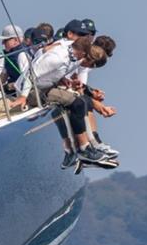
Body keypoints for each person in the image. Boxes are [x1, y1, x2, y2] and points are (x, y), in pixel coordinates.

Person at [11, 36, 116, 169]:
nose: (85, 64)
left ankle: (78, 149)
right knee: (77, 103)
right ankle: (84, 149)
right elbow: (31, 75)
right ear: (83, 53)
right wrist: (23, 97)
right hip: (31, 91)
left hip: (44, 87)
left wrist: (64, 80)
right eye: (88, 61)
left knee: (80, 101)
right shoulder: (58, 58)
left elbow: (54, 73)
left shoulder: (74, 57)